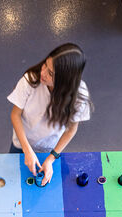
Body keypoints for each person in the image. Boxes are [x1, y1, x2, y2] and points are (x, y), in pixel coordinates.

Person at [9, 43, 92, 185]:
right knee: (12, 178)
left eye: (51, 73)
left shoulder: (79, 95)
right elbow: (15, 115)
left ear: (66, 80)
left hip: (49, 147)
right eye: (45, 65)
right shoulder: (31, 80)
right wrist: (26, 149)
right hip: (21, 142)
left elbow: (71, 129)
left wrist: (51, 157)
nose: (43, 73)